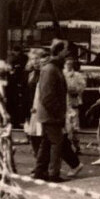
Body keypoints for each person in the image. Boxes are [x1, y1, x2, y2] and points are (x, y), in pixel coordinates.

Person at [31, 41, 69, 182]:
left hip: (48, 113)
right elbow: (47, 96)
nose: (67, 53)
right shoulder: (51, 70)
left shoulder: (52, 68)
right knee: (56, 143)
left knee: (46, 143)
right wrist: (58, 113)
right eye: (65, 50)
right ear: (59, 51)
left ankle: (40, 171)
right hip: (51, 114)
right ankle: (53, 173)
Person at [63, 56, 86, 154]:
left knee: (75, 126)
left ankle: (77, 146)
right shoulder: (61, 74)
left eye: (70, 64)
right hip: (64, 103)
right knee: (66, 126)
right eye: (67, 64)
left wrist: (76, 90)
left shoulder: (77, 75)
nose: (69, 65)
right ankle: (68, 146)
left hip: (74, 102)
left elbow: (82, 86)